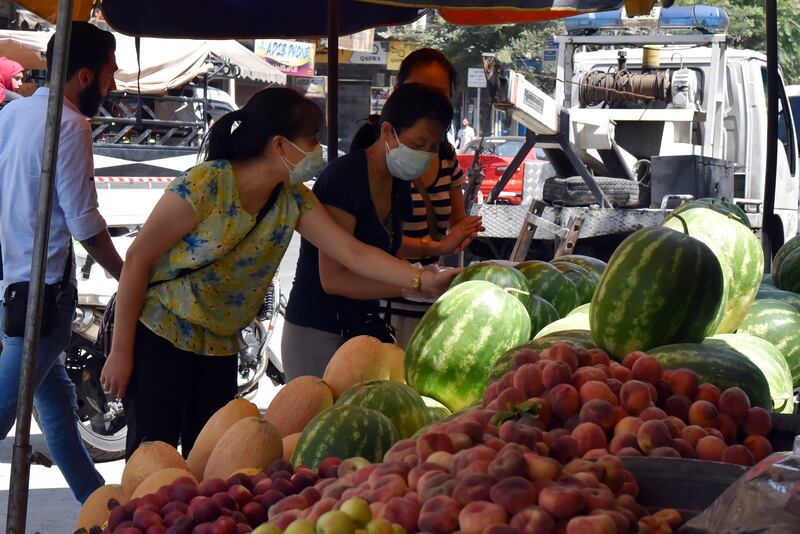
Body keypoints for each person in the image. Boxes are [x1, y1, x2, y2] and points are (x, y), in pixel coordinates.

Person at [99, 87, 460, 460]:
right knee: (150, 456)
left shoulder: (294, 199)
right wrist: (122, 350)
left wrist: (420, 279)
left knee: (208, 462)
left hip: (220, 345)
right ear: (279, 145)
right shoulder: (206, 184)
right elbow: (138, 258)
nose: (319, 148)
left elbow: (351, 252)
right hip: (161, 337)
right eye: (312, 138)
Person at [0, 23, 123, 504]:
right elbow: (85, 222)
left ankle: (104, 507)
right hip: (44, 299)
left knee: (58, 409)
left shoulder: (14, 113)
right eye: (110, 74)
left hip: (15, 287)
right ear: (86, 76)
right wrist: (128, 273)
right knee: (6, 408)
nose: (113, 85)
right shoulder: (71, 125)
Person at [282, 83, 478, 379]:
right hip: (319, 329)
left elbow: (387, 248)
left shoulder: (398, 179)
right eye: (419, 142)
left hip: (363, 327)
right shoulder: (344, 179)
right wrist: (416, 283)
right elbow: (336, 277)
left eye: (433, 146)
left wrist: (434, 256)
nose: (425, 154)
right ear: (388, 132)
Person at [349, 48, 484, 347]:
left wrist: (464, 231)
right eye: (419, 91)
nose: (430, 104)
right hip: (384, 302)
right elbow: (371, 243)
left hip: (430, 301)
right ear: (398, 93)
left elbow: (455, 222)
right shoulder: (381, 154)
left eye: (440, 94)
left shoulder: (446, 154)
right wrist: (435, 248)